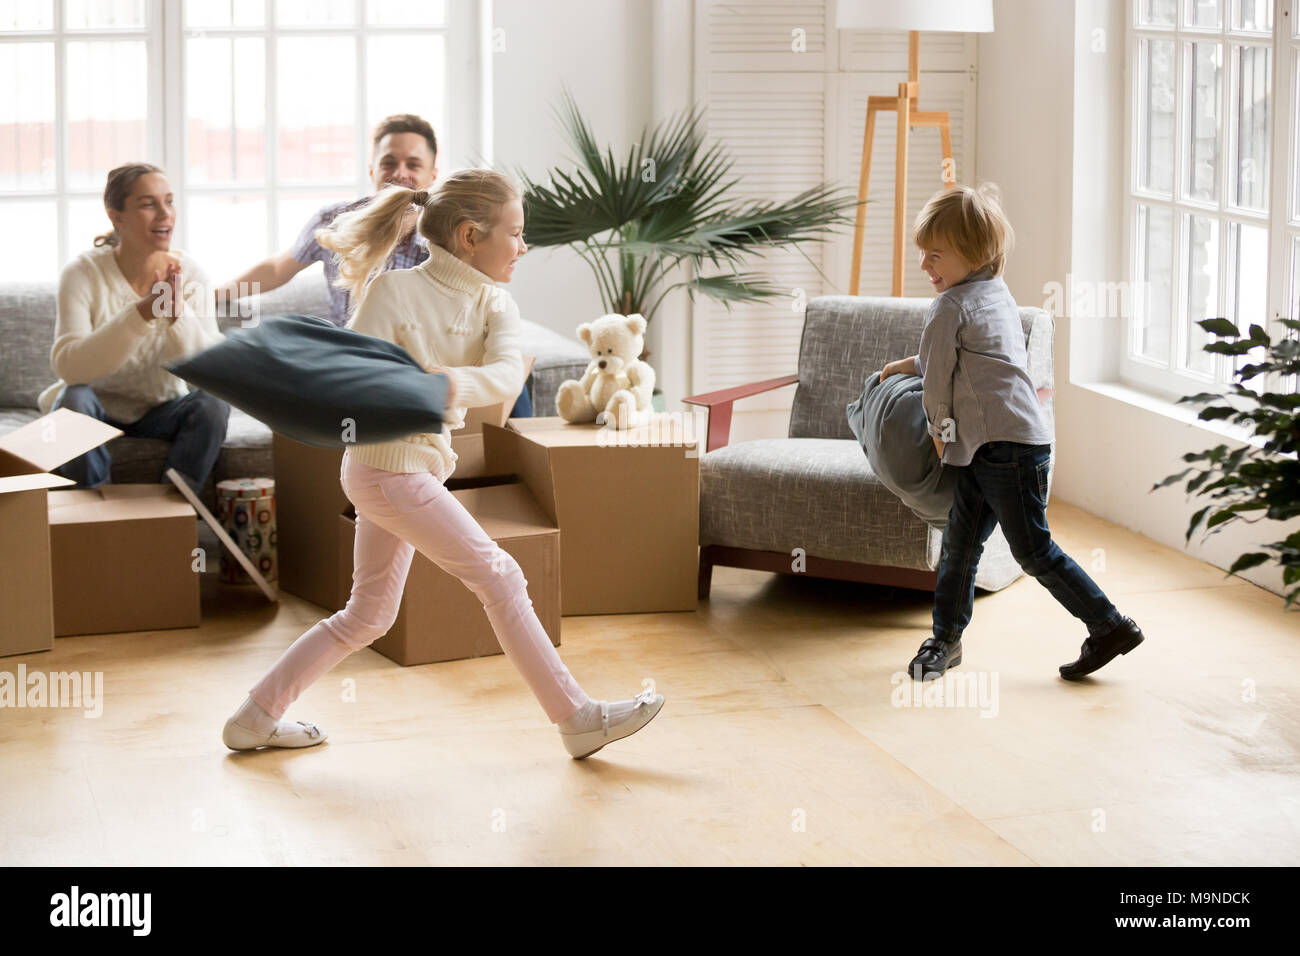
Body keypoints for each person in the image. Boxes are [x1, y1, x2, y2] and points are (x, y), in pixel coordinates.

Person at [222, 168, 664, 758]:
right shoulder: (392, 291)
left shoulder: (495, 302)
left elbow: (508, 373)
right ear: (468, 236)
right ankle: (577, 718)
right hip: (384, 471)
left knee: (367, 615)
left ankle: (255, 717)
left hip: (413, 472)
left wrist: (442, 382)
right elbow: (351, 378)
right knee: (500, 576)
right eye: (515, 233)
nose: (523, 247)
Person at [879, 183, 1145, 682]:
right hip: (1008, 444)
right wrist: (906, 364)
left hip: (1005, 450)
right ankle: (945, 640)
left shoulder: (948, 307)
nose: (925, 266)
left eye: (935, 255)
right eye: (923, 254)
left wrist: (939, 435)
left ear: (973, 253)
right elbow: (967, 359)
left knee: (1033, 550)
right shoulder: (994, 293)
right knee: (960, 546)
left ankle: (1109, 625)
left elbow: (938, 385)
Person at [213, 113, 533, 418]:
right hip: (366, 364)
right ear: (372, 170)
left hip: (437, 365)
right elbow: (276, 270)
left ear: (433, 175)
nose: (401, 171)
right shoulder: (336, 221)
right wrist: (213, 295)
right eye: (389, 162)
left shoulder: (446, 243)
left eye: (414, 163)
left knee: (513, 381)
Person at [38, 163, 228, 499]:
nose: (164, 214)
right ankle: (96, 516)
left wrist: (176, 315)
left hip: (161, 410)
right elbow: (69, 367)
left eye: (169, 201)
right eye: (148, 204)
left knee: (213, 403)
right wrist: (141, 312)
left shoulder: (191, 274)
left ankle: (170, 513)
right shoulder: (82, 273)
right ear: (116, 217)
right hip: (95, 406)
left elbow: (212, 371)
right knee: (74, 398)